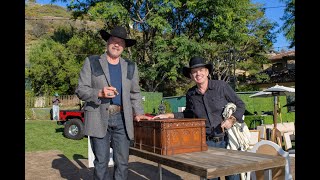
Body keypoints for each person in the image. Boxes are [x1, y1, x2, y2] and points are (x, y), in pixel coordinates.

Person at [75, 25, 151, 180]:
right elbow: (80, 90)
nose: (117, 44)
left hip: (123, 118)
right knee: (101, 162)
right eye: (114, 40)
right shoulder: (92, 62)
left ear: (124, 46)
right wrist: (99, 93)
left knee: (122, 162)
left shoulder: (131, 66)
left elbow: (135, 93)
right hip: (98, 116)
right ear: (107, 42)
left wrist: (140, 113)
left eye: (121, 42)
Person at [153, 56, 245, 180]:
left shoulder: (221, 86)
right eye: (194, 71)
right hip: (205, 144)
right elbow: (188, 114)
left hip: (227, 141)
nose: (198, 74)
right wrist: (170, 115)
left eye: (201, 70)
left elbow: (241, 105)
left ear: (207, 72)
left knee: (233, 177)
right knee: (211, 177)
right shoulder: (191, 94)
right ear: (191, 76)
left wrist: (231, 119)